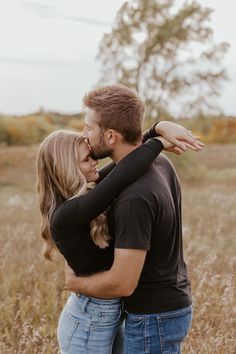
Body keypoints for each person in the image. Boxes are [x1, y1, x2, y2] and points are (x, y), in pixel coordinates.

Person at [64, 84, 204, 354]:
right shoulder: (160, 162)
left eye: (88, 127)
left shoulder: (134, 197)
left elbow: (122, 282)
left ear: (111, 135)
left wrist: (75, 283)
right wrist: (158, 129)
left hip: (153, 318)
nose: (84, 135)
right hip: (167, 307)